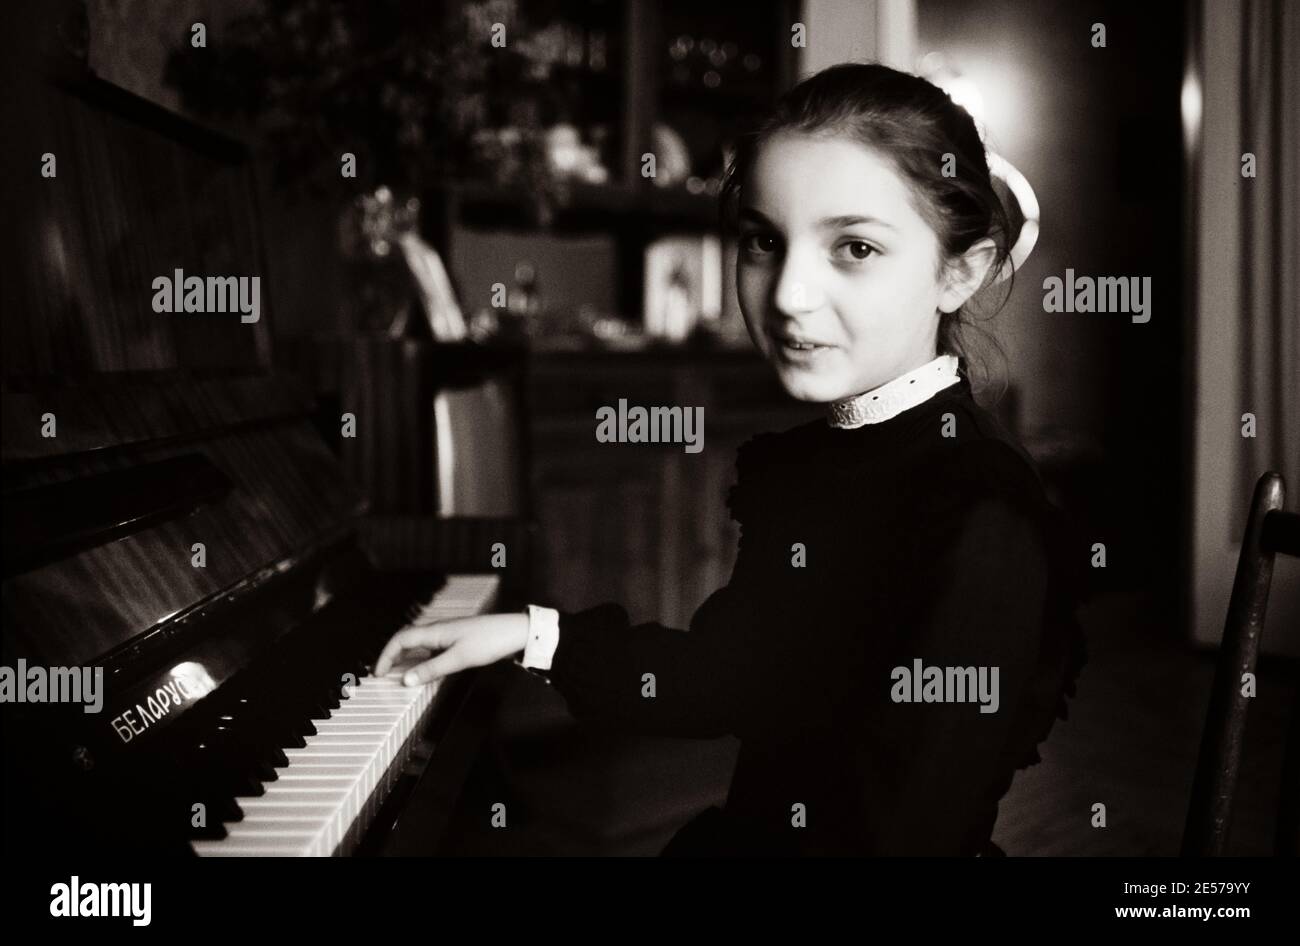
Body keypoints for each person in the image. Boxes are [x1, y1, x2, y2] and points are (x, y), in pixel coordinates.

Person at [375, 63, 1088, 856]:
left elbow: (901, 829)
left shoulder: (982, 511)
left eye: (853, 247)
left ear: (959, 271)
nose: (787, 294)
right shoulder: (818, 463)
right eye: (763, 242)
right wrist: (530, 635)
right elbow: (728, 675)